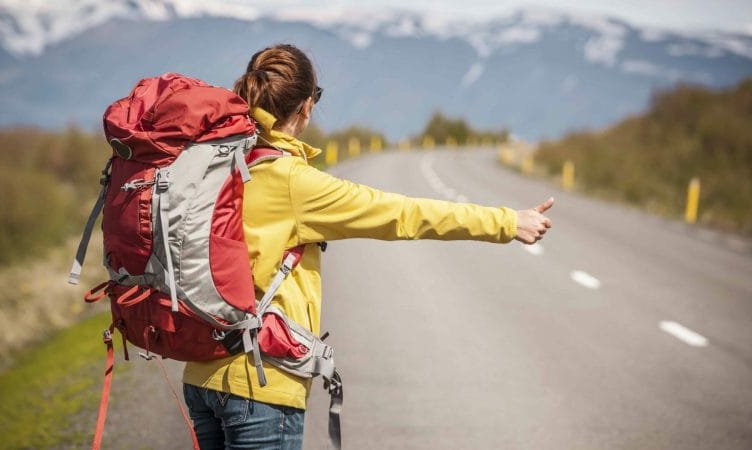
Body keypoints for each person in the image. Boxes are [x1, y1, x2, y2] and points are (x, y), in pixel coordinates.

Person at [181, 43, 553, 450]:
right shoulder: (291, 180)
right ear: (306, 106)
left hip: (200, 374)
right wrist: (507, 222)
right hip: (262, 383)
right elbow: (402, 214)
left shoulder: (220, 162)